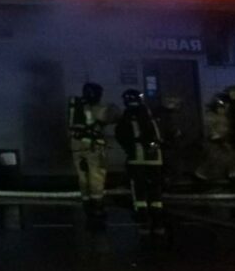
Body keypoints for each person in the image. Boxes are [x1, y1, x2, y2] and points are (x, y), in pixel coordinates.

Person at [115, 89, 165, 234]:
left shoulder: (127, 115)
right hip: (155, 159)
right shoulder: (150, 114)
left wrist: (129, 149)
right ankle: (158, 222)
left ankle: (143, 221)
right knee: (155, 189)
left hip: (136, 159)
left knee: (139, 190)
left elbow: (120, 134)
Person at [67, 82, 118, 221]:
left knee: (82, 177)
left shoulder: (75, 106)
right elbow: (113, 116)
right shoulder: (97, 109)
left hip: (76, 147)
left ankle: (86, 203)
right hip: (94, 148)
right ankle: (97, 205)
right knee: (97, 176)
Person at [195, 93, 233, 183]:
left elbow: (224, 128)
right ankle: (207, 175)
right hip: (214, 141)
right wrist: (216, 136)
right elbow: (210, 129)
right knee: (216, 157)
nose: (226, 109)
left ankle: (220, 175)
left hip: (221, 140)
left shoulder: (223, 116)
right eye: (224, 107)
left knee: (224, 157)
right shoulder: (211, 116)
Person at [152, 95, 183, 186]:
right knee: (169, 163)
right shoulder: (167, 115)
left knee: (167, 164)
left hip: (165, 142)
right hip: (168, 143)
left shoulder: (160, 114)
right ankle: (168, 182)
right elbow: (170, 129)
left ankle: (166, 181)